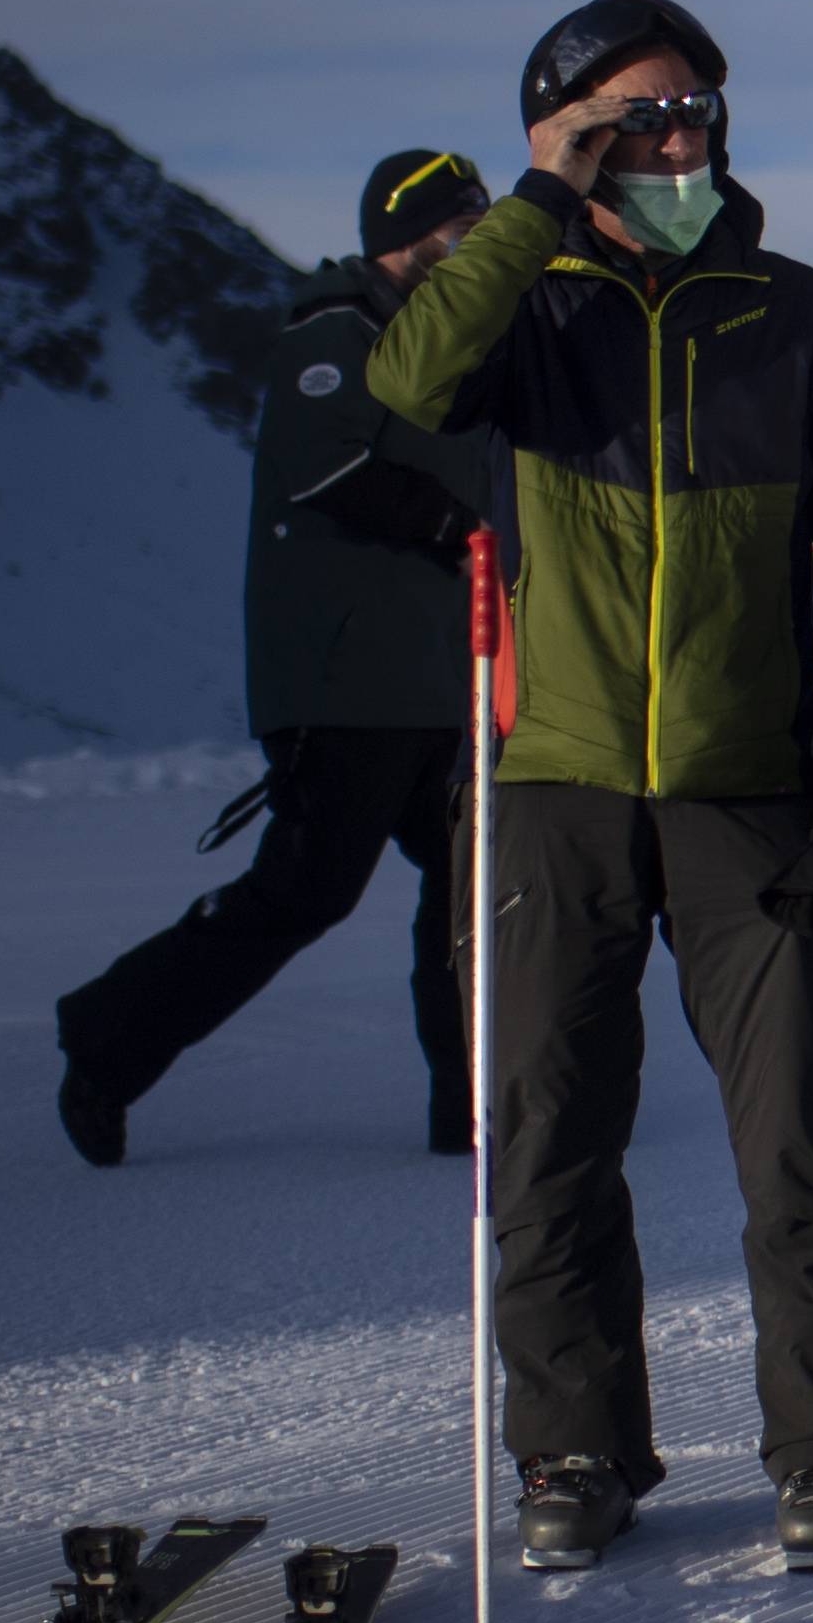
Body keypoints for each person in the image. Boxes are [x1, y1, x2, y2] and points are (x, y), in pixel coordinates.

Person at [367, 0, 813, 1576]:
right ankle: (575, 1450)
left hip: (749, 787)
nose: (682, 134)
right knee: (549, 1139)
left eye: (697, 107)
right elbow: (412, 384)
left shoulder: (788, 307)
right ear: (570, 133)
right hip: (550, 785)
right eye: (643, 112)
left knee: (802, 1139)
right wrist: (541, 200)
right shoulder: (525, 306)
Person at [55, 150, 509, 1163]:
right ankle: (106, 1036)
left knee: (474, 894)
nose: (475, 245)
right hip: (347, 683)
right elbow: (331, 465)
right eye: (462, 228)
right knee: (306, 892)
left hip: (440, 680)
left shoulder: (439, 346)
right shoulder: (333, 335)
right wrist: (461, 521)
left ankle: (475, 1112)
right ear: (408, 234)